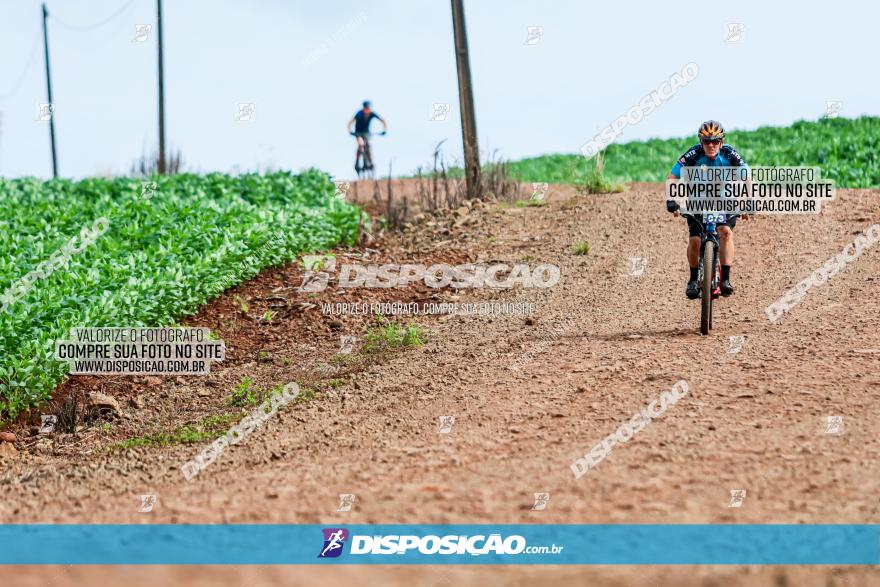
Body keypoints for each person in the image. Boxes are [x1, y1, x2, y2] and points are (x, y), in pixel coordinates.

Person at [666, 120, 749, 299]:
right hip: (697, 201)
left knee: (725, 232)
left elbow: (747, 176)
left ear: (721, 142)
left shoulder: (730, 153)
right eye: (706, 142)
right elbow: (672, 176)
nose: (710, 145)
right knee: (695, 240)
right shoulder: (693, 154)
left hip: (724, 201)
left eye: (715, 141)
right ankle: (693, 280)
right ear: (701, 142)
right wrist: (671, 200)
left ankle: (726, 279)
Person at [347, 100, 387, 173]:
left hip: (367, 133)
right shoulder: (359, 113)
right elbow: (350, 122)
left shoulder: (372, 113)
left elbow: (383, 121)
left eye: (368, 108)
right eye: (366, 108)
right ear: (363, 108)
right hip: (358, 132)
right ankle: (357, 161)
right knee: (361, 144)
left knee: (368, 144)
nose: (367, 110)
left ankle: (370, 161)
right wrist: (350, 131)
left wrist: (384, 130)